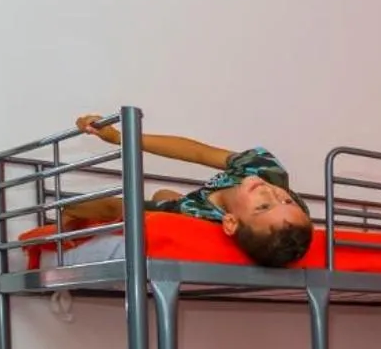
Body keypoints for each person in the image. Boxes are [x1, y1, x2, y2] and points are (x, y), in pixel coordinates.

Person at [62, 115, 314, 268]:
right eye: (286, 199)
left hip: (186, 208)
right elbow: (198, 152)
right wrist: (120, 137)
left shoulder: (195, 218)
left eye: (263, 206)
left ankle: (65, 210)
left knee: (126, 207)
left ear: (230, 222)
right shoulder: (265, 170)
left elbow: (120, 210)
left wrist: (72, 213)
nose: (270, 193)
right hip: (192, 202)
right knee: (163, 194)